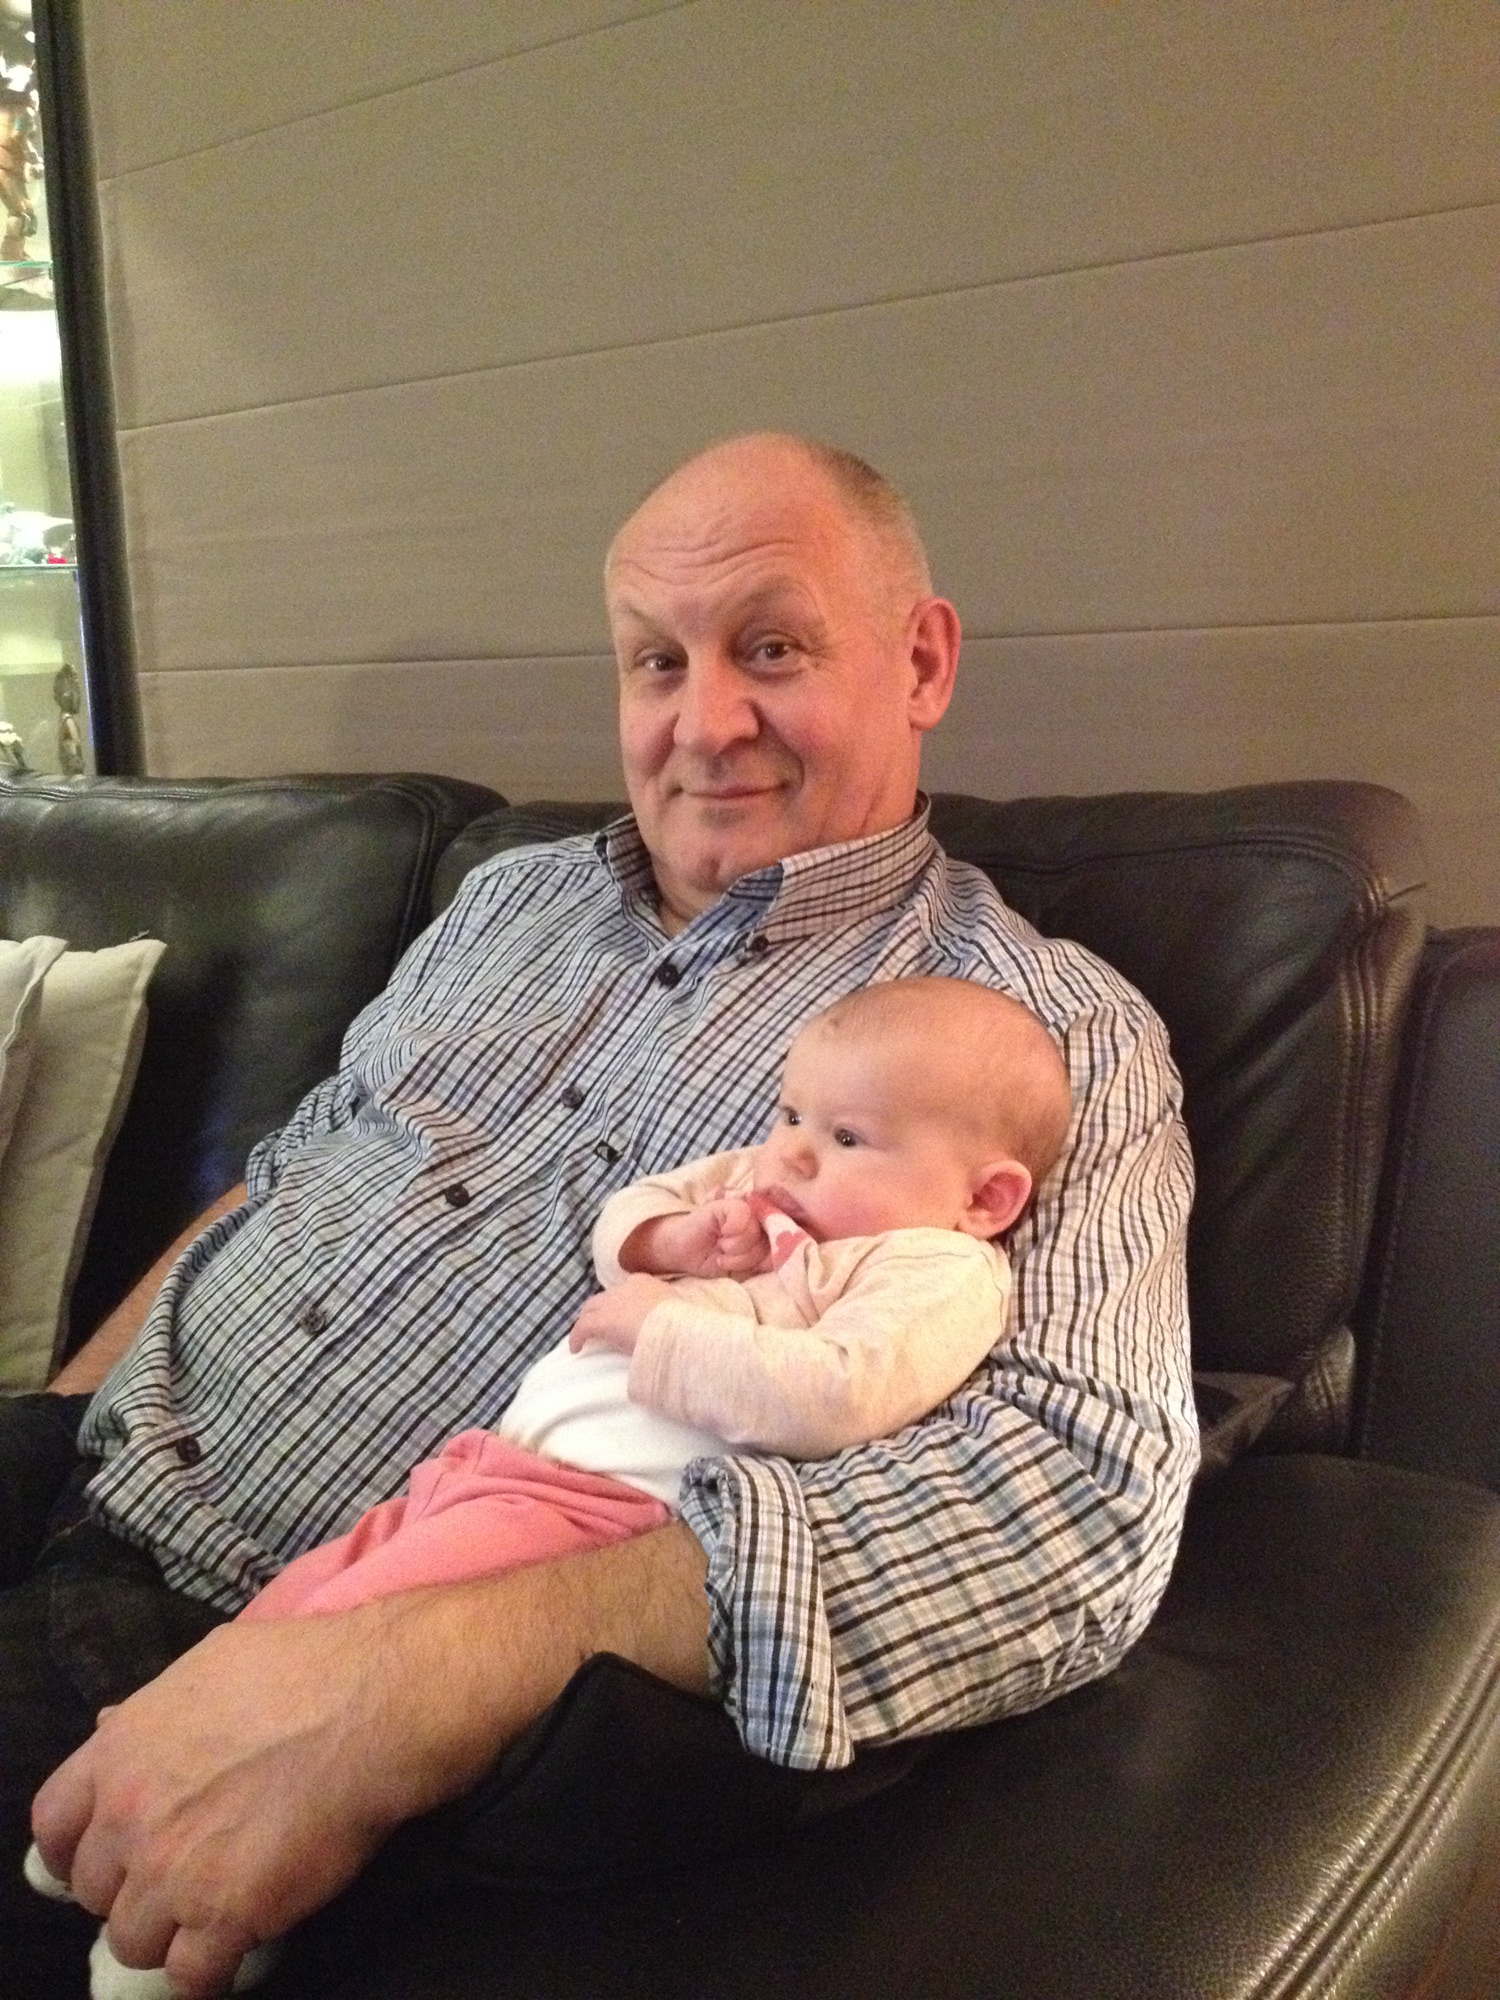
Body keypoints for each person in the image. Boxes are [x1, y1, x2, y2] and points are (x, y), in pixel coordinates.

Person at [9, 431, 1197, 2000]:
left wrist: (399, 1682)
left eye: (770, 648)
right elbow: (292, 1171)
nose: (704, 724)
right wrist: (65, 1404)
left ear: (921, 662)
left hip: (297, 1666)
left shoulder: (1037, 1038)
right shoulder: (507, 900)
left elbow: (1074, 1507)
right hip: (84, 1476)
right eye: (655, 661)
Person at [28, 973, 1075, 2000]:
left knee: (335, 1642)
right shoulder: (765, 1189)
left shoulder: (932, 1266)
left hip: (593, 1509)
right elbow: (633, 1211)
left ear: (985, 1197)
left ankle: (210, 1928)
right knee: (293, 1609)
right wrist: (668, 1240)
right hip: (491, 1464)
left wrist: (665, 1328)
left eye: (848, 1136)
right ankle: (116, 1795)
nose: (791, 1150)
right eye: (790, 1112)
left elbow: (843, 1391)